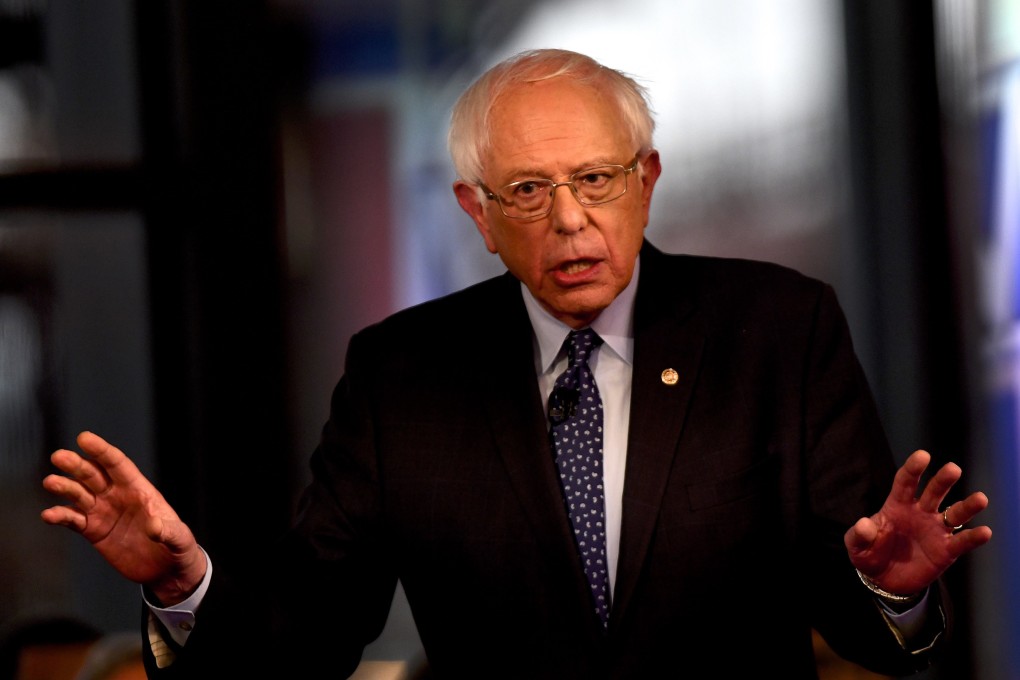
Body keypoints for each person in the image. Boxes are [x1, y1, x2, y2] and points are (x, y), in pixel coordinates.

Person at [41, 49, 992, 678]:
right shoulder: (400, 377)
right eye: (530, 190)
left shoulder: (778, 330)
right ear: (476, 212)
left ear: (646, 181)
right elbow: (306, 637)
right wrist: (184, 585)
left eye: (596, 180)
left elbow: (880, 638)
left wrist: (893, 590)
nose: (571, 219)